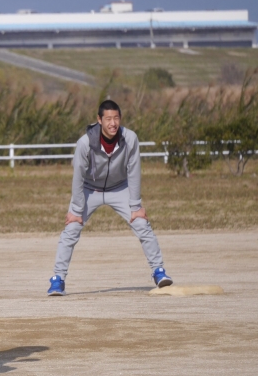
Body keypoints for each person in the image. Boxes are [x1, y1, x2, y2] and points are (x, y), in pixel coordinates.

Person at [48, 99, 174, 296]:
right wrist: (77, 210)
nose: (113, 123)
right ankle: (58, 280)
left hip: (119, 188)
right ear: (99, 120)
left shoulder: (130, 138)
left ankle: (159, 272)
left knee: (141, 223)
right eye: (108, 119)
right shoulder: (85, 143)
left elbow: (134, 171)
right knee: (71, 229)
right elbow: (78, 176)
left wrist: (136, 205)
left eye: (116, 118)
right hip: (89, 189)